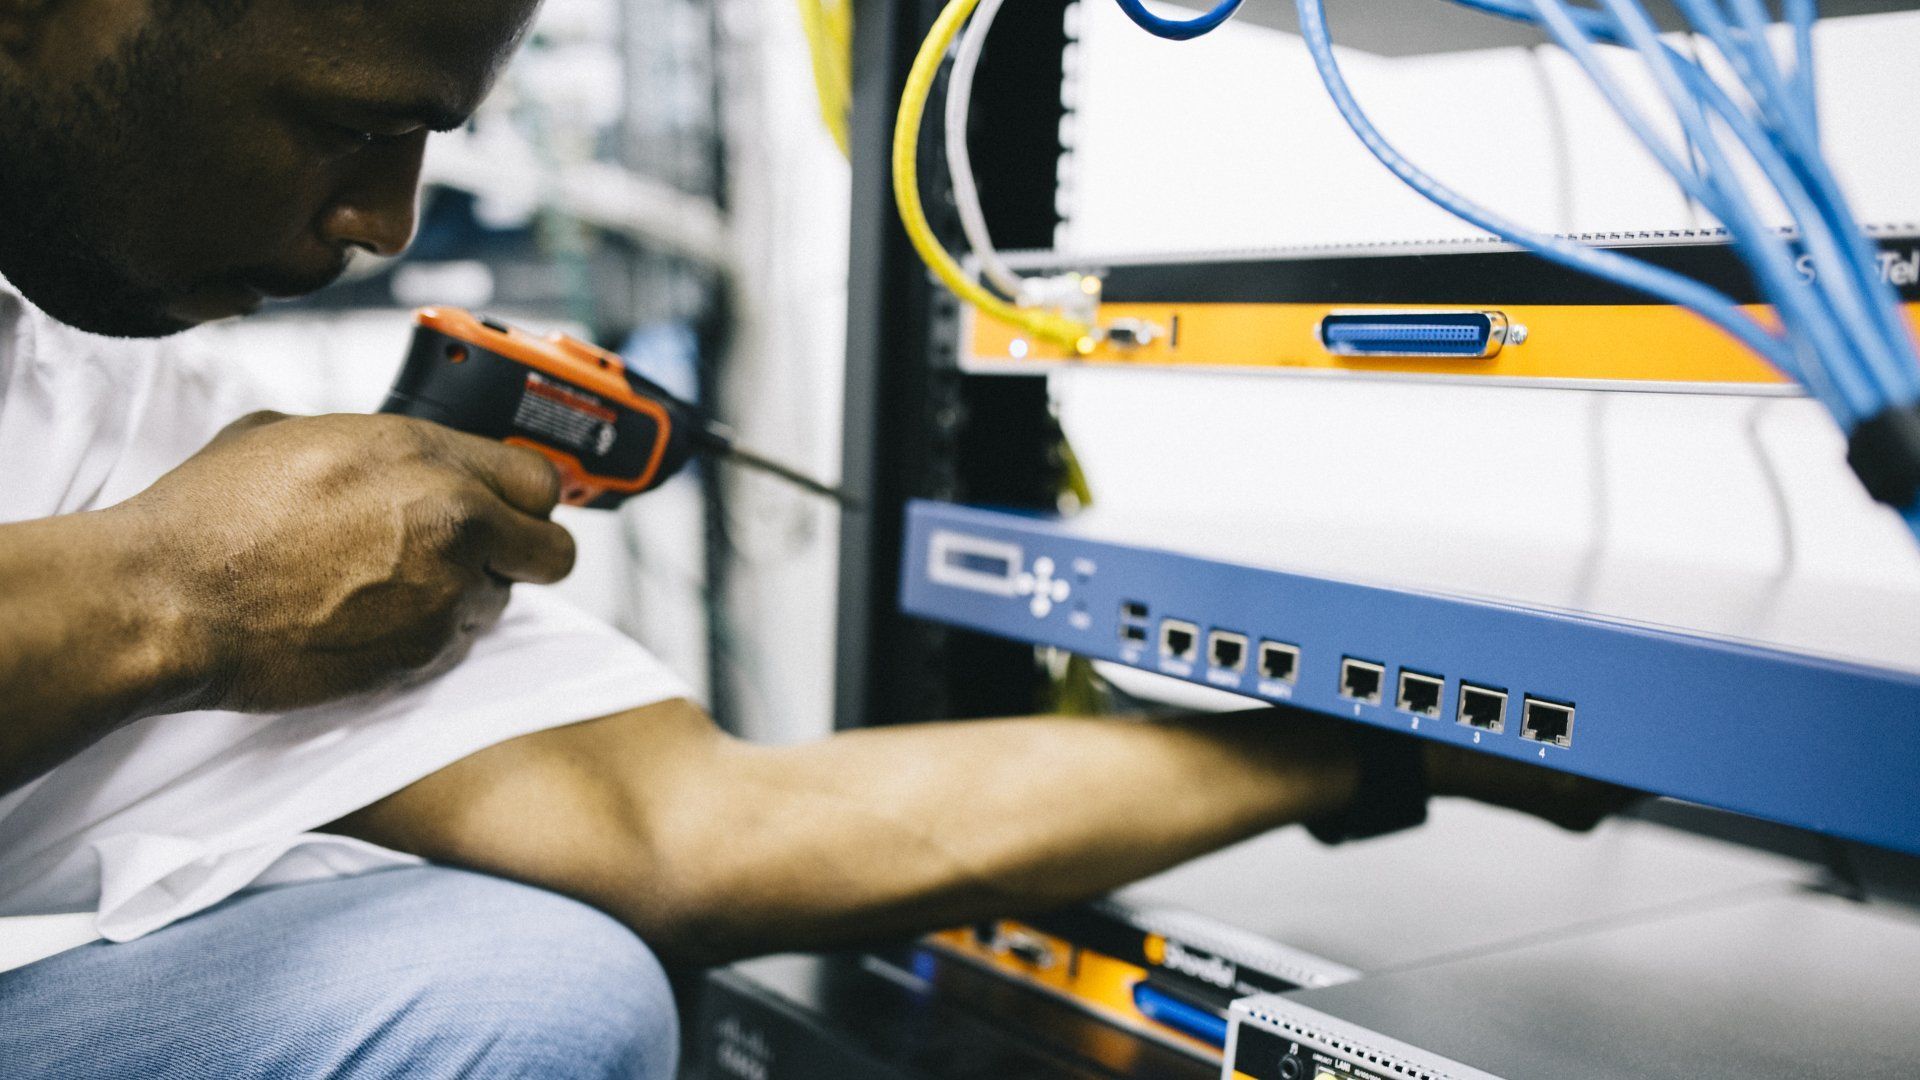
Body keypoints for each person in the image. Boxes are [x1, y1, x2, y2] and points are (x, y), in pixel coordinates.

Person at [0, 0, 1627, 1076]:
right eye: (342, 122)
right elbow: (177, 584)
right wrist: (170, 594)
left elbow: (679, 822)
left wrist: (1390, 748)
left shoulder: (99, 398)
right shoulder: (175, 519)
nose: (386, 222)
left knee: (528, 978)